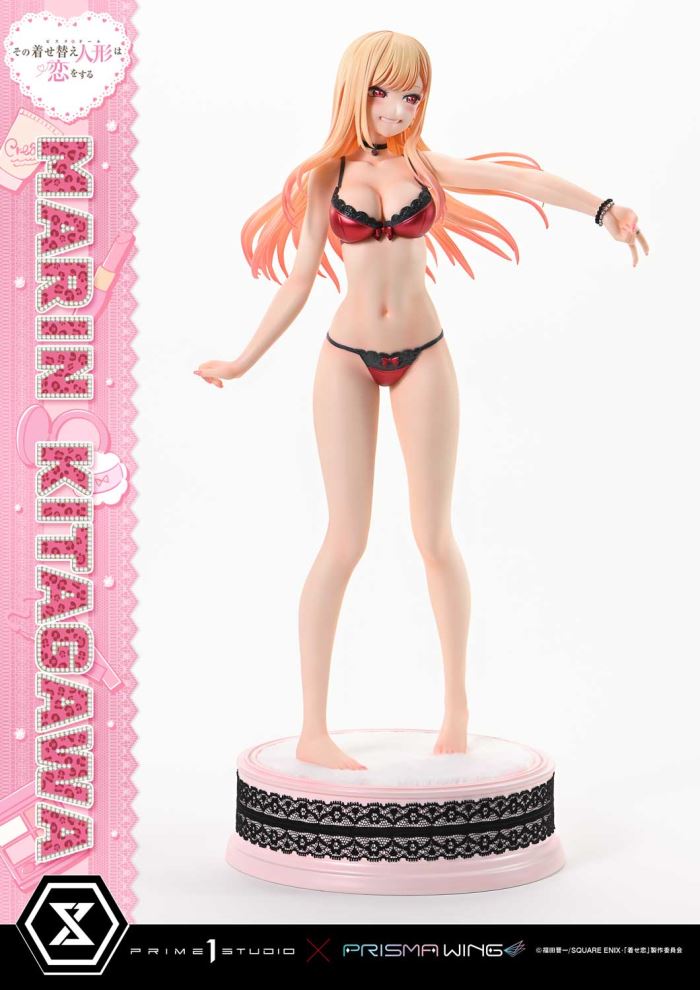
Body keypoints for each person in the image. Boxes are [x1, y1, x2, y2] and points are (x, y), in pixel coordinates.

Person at [195, 31, 649, 771]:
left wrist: (604, 209)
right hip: (345, 360)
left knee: (434, 537)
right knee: (344, 540)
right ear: (356, 90)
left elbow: (521, 183)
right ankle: (313, 728)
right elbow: (301, 279)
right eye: (384, 93)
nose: (398, 109)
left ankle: (456, 705)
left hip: (423, 356)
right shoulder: (325, 176)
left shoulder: (426, 168)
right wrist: (243, 361)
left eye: (412, 95)